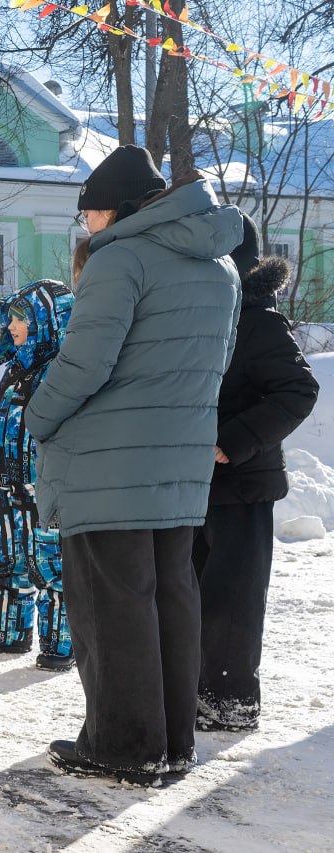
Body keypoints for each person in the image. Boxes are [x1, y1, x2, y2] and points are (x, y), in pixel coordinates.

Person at [26, 145, 243, 785]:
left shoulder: (120, 260)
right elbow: (217, 366)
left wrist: (38, 417)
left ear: (115, 208)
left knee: (112, 606)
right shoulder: (220, 267)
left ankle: (123, 747)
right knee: (171, 599)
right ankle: (173, 742)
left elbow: (85, 364)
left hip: (107, 465)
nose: (85, 226)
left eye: (88, 212)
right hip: (177, 461)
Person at [195, 219, 319, 732]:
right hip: (191, 481)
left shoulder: (259, 321)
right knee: (196, 591)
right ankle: (199, 690)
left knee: (235, 597)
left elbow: (298, 391)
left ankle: (231, 699)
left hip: (242, 485)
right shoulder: (201, 313)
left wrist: (235, 440)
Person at [0, 280, 76, 671]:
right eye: (11, 318)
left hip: (41, 483)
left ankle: (61, 642)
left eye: (22, 318)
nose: (12, 326)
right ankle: (7, 632)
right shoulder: (18, 365)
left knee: (48, 562)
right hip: (6, 479)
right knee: (8, 557)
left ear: (46, 320)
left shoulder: (61, 368)